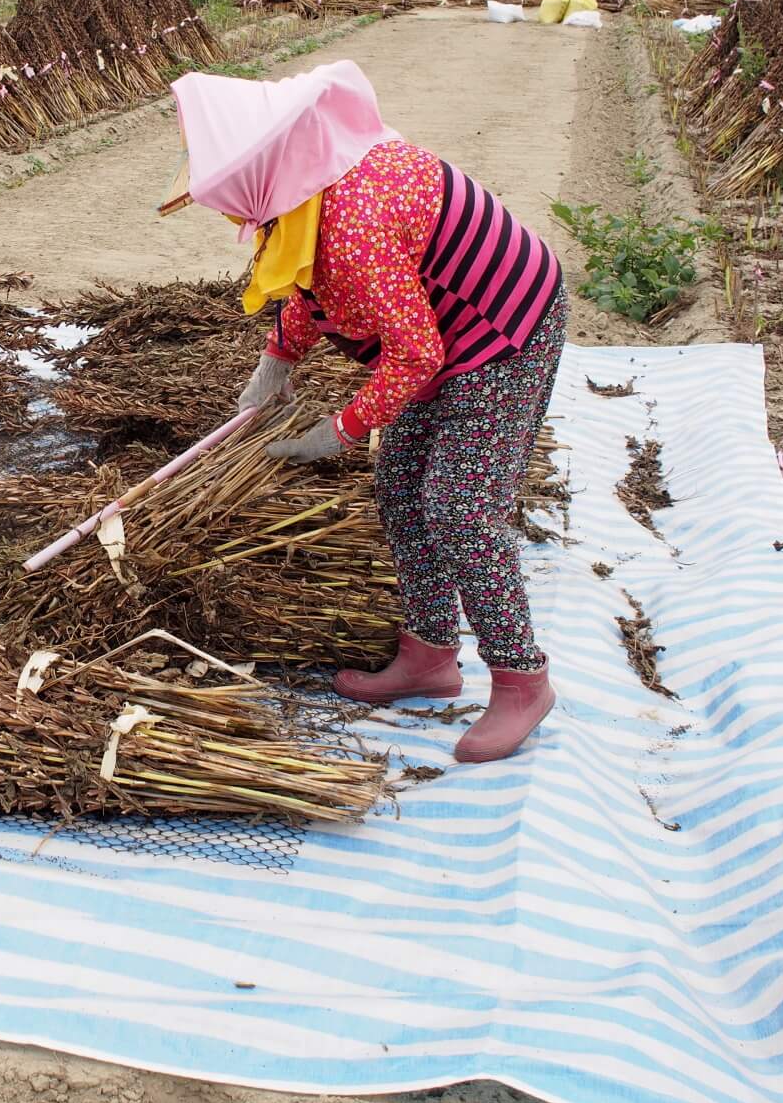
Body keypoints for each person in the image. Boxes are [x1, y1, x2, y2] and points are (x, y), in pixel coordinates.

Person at [166, 60, 567, 763]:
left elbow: (415, 356)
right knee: (402, 492)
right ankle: (430, 655)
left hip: (505, 330)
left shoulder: (354, 220)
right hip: (443, 334)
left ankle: (520, 680)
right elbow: (309, 281)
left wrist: (343, 429)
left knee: (460, 508)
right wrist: (277, 363)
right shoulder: (311, 185)